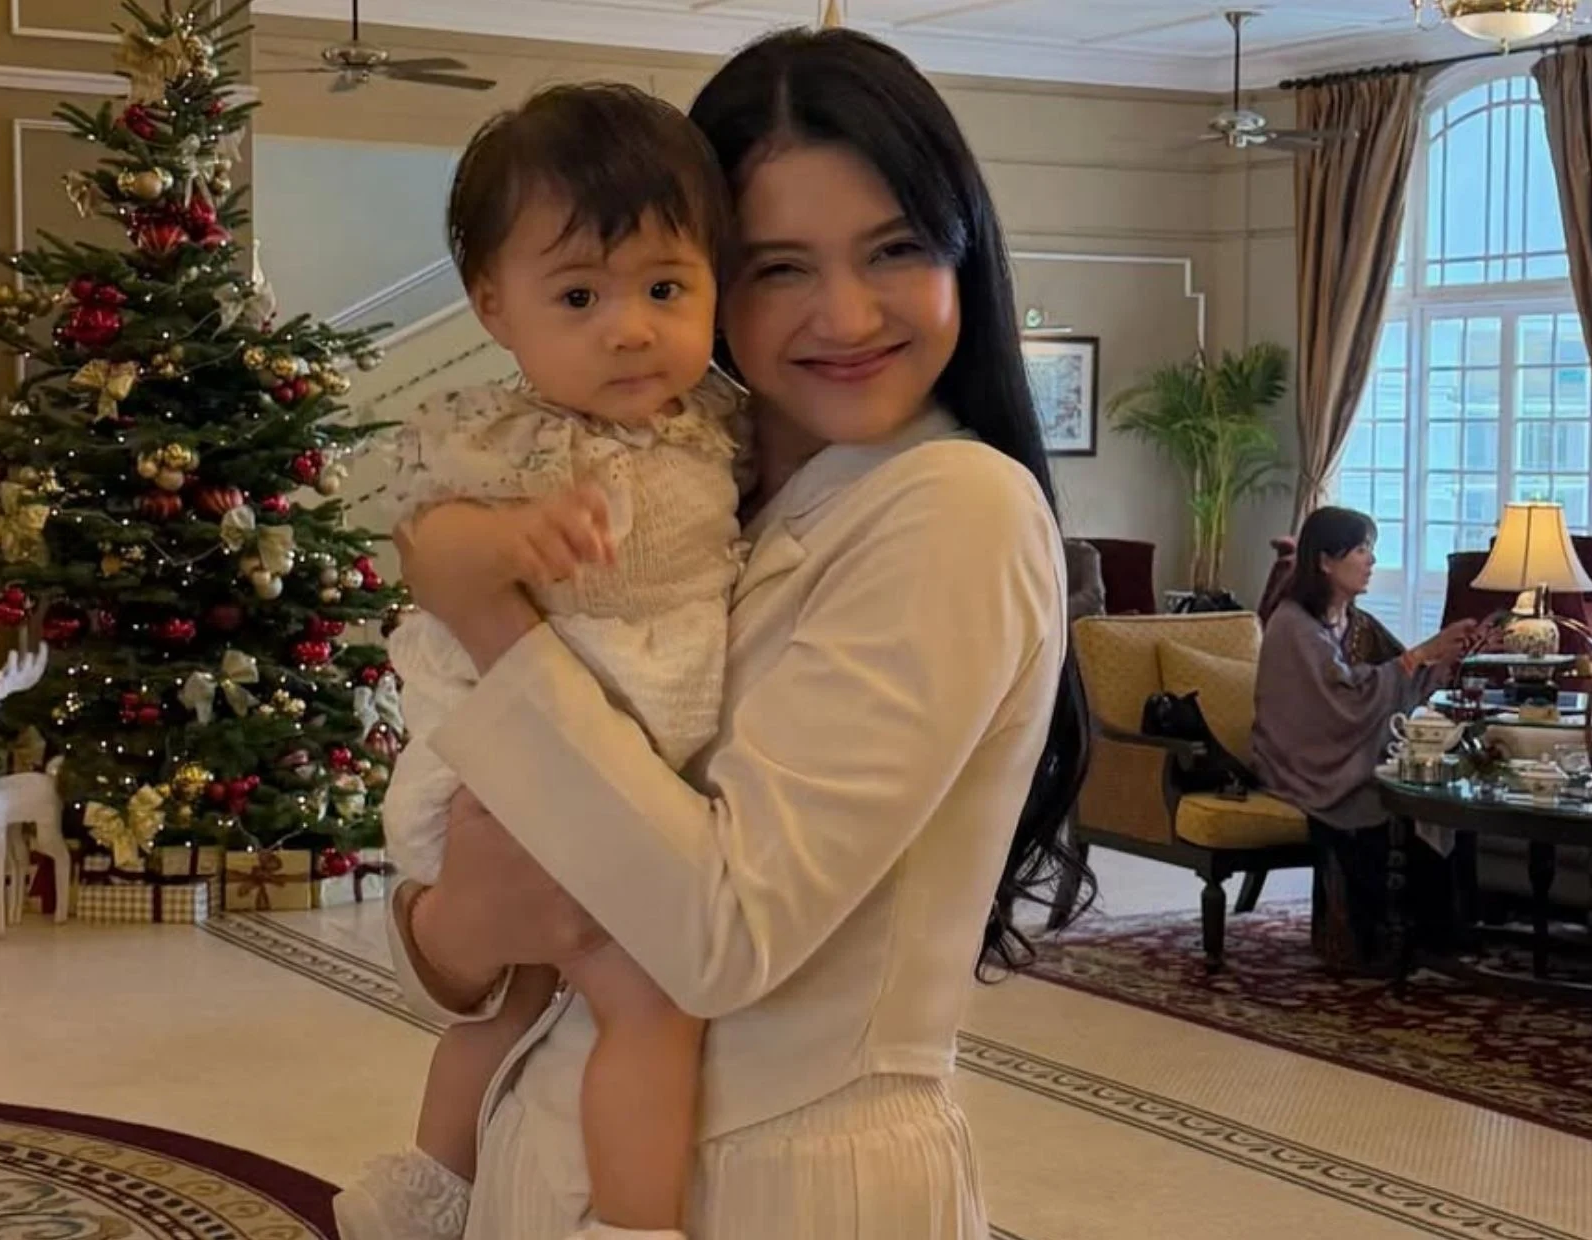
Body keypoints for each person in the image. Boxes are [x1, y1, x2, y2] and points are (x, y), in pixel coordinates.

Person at [388, 26, 1093, 1239]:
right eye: (777, 267)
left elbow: (719, 939)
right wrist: (455, 925)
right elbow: (478, 931)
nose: (847, 313)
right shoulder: (695, 482)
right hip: (550, 1151)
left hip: (781, 1185)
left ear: (961, 254)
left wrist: (482, 607)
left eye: (895, 249)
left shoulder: (952, 509)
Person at [336, 85, 747, 1240]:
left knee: (514, 998)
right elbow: (431, 545)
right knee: (651, 1004)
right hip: (502, 764)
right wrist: (510, 539)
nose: (629, 328)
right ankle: (623, 1222)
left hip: (602, 746)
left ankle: (430, 1192)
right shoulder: (500, 436)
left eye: (664, 288)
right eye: (578, 296)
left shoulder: (717, 423)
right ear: (493, 306)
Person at [1252, 506, 1479, 972]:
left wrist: (1447, 658)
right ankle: (1376, 942)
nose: (1372, 560)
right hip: (1304, 762)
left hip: (1350, 752)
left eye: (1371, 550)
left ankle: (1439, 936)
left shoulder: (1357, 622)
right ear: (1325, 561)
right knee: (1383, 802)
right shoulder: (1292, 624)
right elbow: (1345, 698)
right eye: (1361, 550)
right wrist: (1423, 654)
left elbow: (1400, 672)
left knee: (1440, 796)